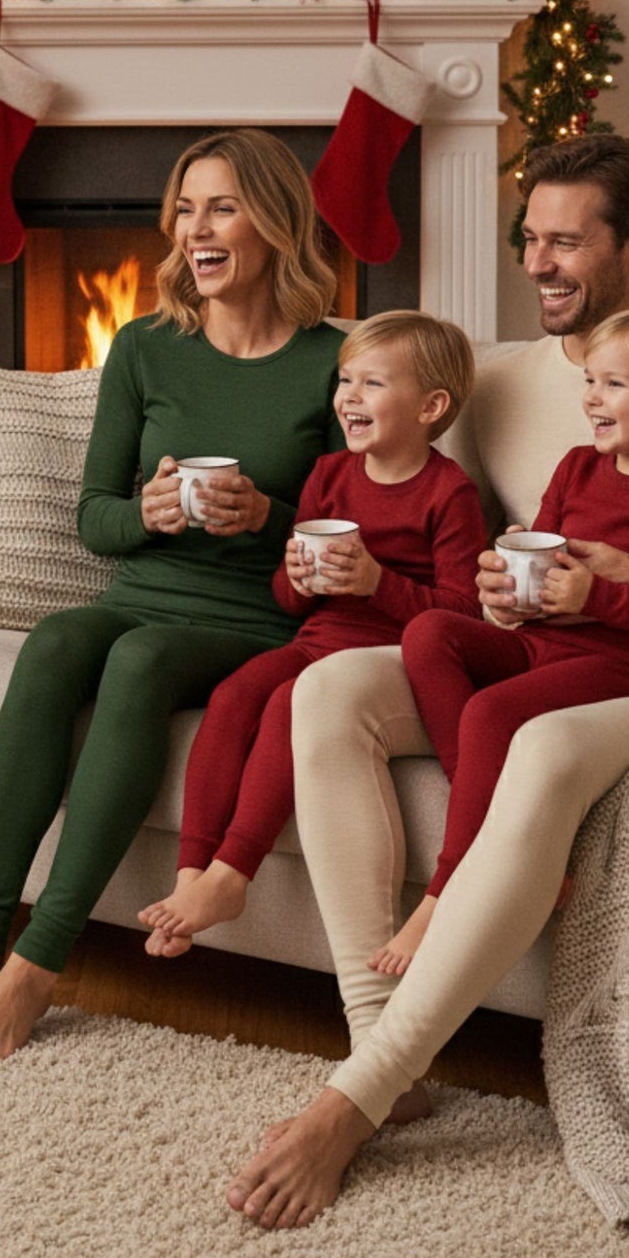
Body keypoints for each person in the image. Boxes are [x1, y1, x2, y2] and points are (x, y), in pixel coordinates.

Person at [225, 133, 629, 1230]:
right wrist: (484, 588)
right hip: (532, 647)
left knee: (542, 745)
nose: (536, 262)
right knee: (324, 692)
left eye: (565, 241)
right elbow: (444, 524)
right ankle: (380, 1042)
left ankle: (353, 1100)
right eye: (530, 237)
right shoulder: (503, 376)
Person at [0, 128, 345, 1066]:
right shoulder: (144, 347)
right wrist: (148, 512)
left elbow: (353, 530)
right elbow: (95, 518)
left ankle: (38, 963)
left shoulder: (334, 361)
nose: (195, 229)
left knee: (137, 660)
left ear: (273, 222)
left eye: (221, 208)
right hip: (143, 587)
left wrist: (266, 514)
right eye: (184, 210)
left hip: (255, 616)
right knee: (57, 641)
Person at [373, 306, 629, 977]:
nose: (591, 397)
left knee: (490, 711)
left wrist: (595, 596)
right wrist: (506, 584)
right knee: (430, 632)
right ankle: (497, 820)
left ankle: (445, 890)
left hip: (621, 666)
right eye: (589, 381)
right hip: (540, 644)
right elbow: (541, 556)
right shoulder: (575, 467)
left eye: (614, 384)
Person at [137, 311, 486, 956]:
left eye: (372, 383)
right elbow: (290, 597)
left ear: (431, 407)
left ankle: (233, 873)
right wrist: (296, 578)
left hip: (383, 664)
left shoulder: (449, 494)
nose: (349, 397)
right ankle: (192, 875)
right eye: (345, 380)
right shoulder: (329, 475)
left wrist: (377, 582)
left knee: (284, 706)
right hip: (316, 643)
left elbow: (464, 615)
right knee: (234, 695)